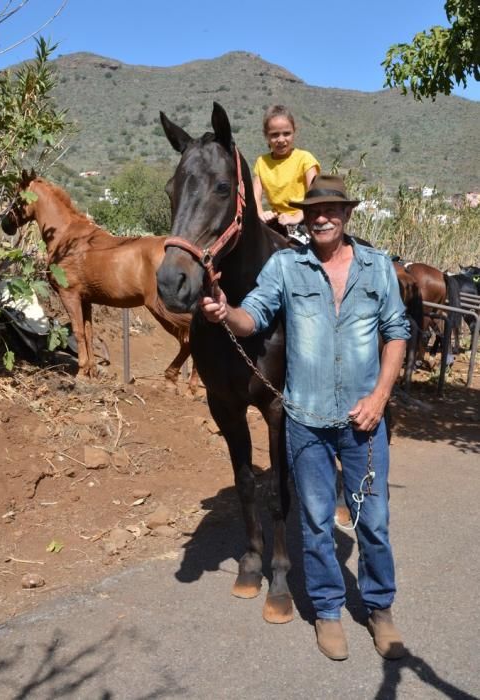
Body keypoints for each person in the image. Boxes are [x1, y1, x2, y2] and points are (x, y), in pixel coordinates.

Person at [201, 174, 410, 662]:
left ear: (347, 215)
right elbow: (252, 316)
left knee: (373, 521)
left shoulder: (376, 267)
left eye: (331, 210)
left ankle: (380, 611)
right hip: (307, 422)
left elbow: (396, 333)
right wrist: (223, 312)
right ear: (304, 217)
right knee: (316, 522)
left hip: (364, 421)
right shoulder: (286, 266)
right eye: (314, 211)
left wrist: (380, 396)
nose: (321, 218)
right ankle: (329, 612)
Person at [253, 105, 320, 239]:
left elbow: (316, 196)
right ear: (266, 136)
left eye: (286, 133)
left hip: (304, 220)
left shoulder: (305, 159)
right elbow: (255, 197)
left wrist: (296, 217)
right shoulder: (261, 162)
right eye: (274, 135)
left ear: (294, 131)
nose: (281, 140)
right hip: (276, 222)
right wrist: (261, 213)